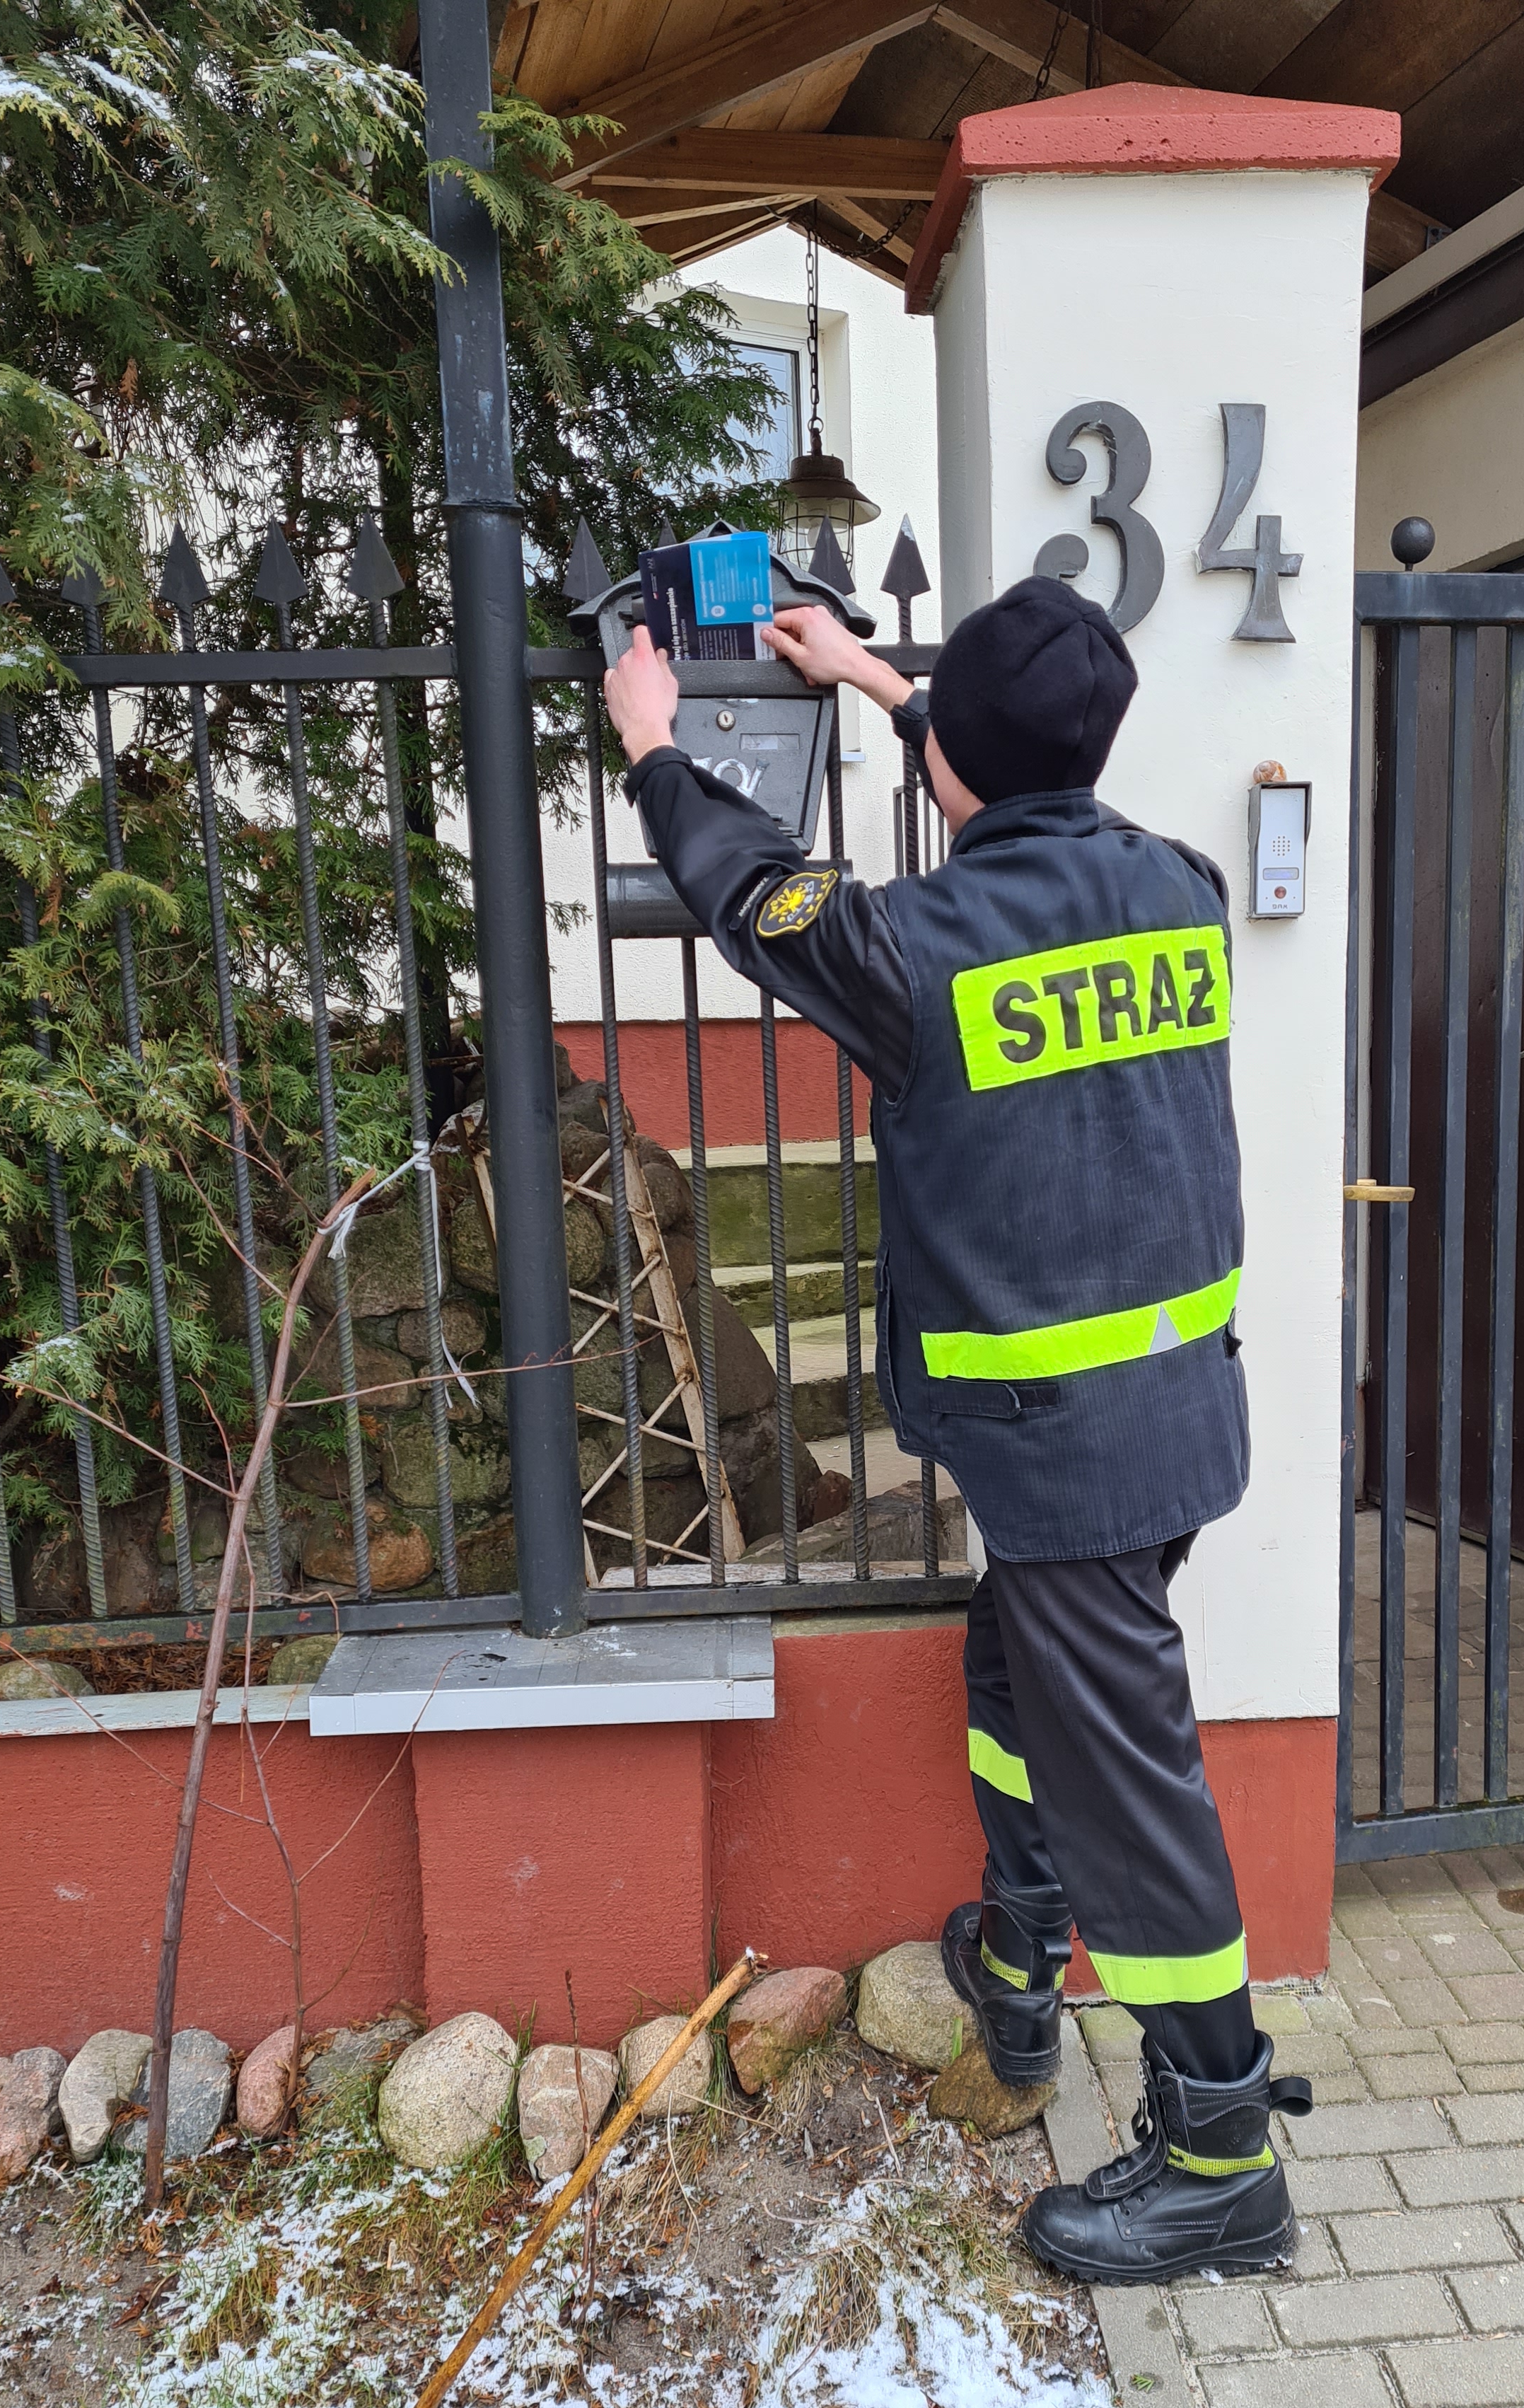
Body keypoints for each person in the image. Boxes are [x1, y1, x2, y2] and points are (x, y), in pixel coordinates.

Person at [602, 573, 1311, 2283]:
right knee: (1013, 1674)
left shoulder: (915, 951)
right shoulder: (1182, 889)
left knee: (1133, 1785)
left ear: (954, 762)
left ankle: (1221, 2153)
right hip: (1167, 1422)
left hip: (1066, 1451)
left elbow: (748, 891)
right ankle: (1022, 1949)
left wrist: (654, 749)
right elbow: (1018, 799)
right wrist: (874, 680)